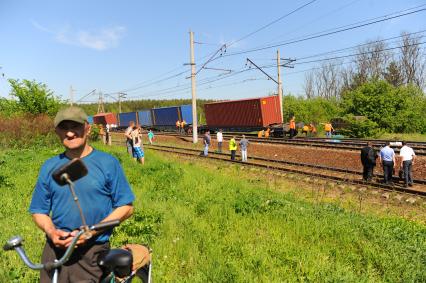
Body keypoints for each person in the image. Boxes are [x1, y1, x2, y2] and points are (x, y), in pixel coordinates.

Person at [29, 106, 135, 282]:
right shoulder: (49, 167)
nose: (69, 134)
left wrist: (91, 232)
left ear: (88, 128)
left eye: (75, 126)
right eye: (64, 128)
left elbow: (126, 207)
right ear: (57, 131)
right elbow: (39, 210)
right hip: (54, 250)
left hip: (91, 252)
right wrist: (52, 232)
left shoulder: (107, 163)